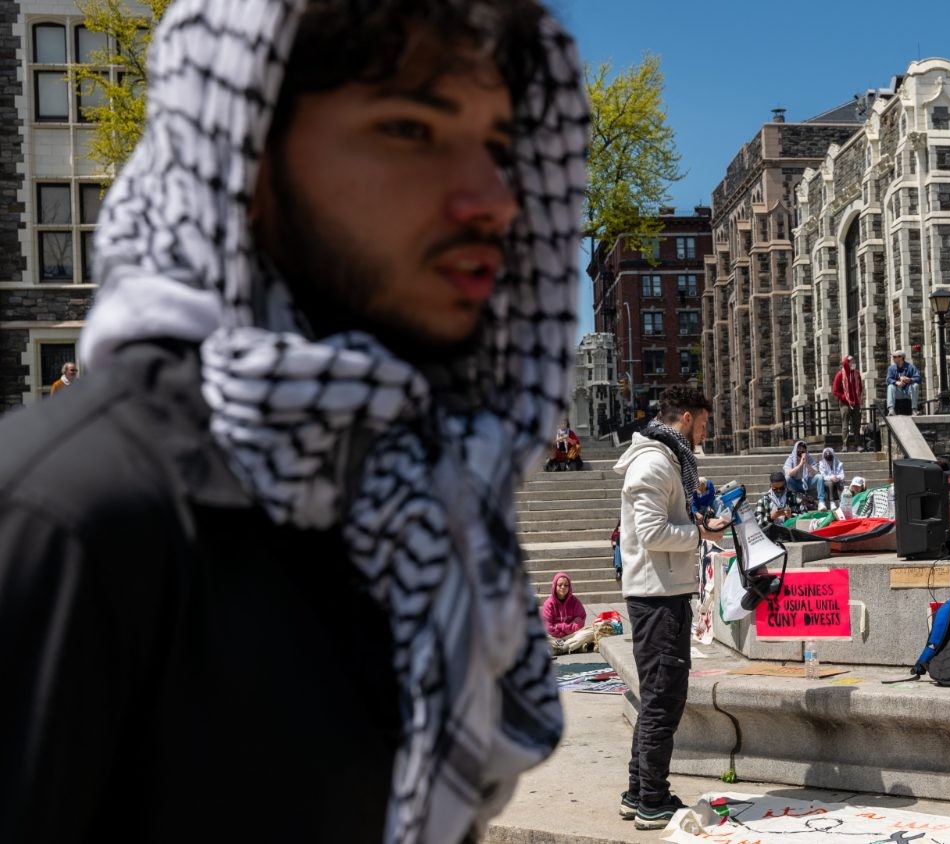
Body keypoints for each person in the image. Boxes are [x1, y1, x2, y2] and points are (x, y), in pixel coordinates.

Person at [0, 2, 589, 842]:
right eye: (410, 129)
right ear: (241, 158)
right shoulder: (67, 523)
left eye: (499, 147)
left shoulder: (408, 507)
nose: (495, 200)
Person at [614, 385, 727, 830]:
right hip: (656, 597)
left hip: (664, 592)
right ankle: (652, 801)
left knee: (657, 699)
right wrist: (701, 536)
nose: (705, 430)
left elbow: (664, 524)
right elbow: (651, 533)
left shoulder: (667, 458)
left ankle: (639, 791)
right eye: (703, 421)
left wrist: (697, 523)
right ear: (685, 418)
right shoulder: (654, 463)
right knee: (664, 700)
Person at [542, 572, 592, 655]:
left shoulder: (575, 602)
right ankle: (573, 646)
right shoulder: (548, 604)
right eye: (560, 585)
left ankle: (560, 648)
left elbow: (580, 622)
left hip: (572, 635)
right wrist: (568, 627)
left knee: (591, 631)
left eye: (566, 585)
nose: (563, 587)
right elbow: (549, 627)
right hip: (554, 637)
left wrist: (560, 626)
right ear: (555, 586)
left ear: (569, 587)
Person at [831, 355, 863, 451]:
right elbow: (835, 390)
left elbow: (860, 387)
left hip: (856, 403)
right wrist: (845, 397)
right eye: (851, 362)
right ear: (846, 363)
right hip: (845, 403)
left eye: (854, 361)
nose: (853, 363)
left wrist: (858, 397)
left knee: (857, 425)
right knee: (845, 425)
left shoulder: (857, 374)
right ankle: (845, 445)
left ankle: (858, 445)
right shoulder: (840, 374)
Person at [783, 439, 822, 509]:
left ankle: (821, 502)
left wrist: (806, 463)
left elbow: (816, 472)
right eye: (799, 448)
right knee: (787, 478)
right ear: (795, 449)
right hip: (795, 483)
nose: (801, 450)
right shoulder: (790, 459)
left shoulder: (809, 458)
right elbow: (789, 473)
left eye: (803, 448)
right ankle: (796, 496)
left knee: (819, 477)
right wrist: (800, 464)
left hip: (807, 482)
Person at [886, 349, 921, 415]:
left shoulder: (911, 367)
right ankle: (891, 410)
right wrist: (896, 382)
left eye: (894, 357)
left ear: (901, 357)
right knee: (890, 386)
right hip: (898, 392)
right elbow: (888, 379)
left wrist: (909, 379)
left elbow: (918, 378)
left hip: (908, 391)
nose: (892, 358)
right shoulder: (891, 368)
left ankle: (914, 410)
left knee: (915, 385)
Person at [815, 447, 845, 511]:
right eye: (826, 454)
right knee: (830, 483)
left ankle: (842, 501)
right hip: (827, 482)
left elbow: (842, 475)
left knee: (840, 482)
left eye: (830, 454)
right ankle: (832, 502)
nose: (828, 455)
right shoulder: (821, 463)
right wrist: (831, 477)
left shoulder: (838, 463)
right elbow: (823, 476)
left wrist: (836, 477)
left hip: (837, 480)